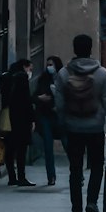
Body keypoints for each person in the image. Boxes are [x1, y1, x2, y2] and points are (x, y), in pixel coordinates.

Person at [53, 33, 106, 212]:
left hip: (73, 129)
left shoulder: (64, 74)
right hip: (95, 128)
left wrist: (62, 122)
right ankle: (92, 202)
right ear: (91, 49)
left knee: (75, 170)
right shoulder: (101, 73)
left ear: (75, 49)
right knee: (97, 166)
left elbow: (59, 102)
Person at [0, 59, 35, 186]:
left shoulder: (6, 77)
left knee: (9, 148)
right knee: (21, 149)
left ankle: (11, 177)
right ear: (24, 67)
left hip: (7, 117)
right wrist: (32, 119)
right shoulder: (22, 78)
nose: (30, 72)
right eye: (30, 69)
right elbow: (27, 100)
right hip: (21, 118)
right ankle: (21, 177)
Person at [32, 56, 64, 186]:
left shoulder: (63, 78)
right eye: (47, 64)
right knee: (47, 147)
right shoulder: (43, 79)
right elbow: (34, 96)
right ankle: (51, 176)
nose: (49, 67)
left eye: (51, 64)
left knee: (69, 146)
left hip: (60, 117)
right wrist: (40, 98)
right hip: (46, 116)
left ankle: (76, 173)